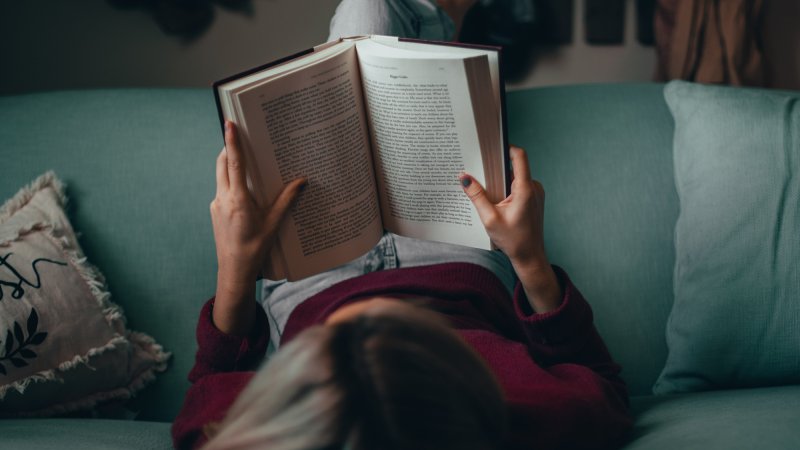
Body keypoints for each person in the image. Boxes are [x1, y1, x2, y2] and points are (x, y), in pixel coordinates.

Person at [170, 121, 632, 449]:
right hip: (452, 262)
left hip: (311, 281)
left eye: (342, 345)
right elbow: (600, 380)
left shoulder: (256, 437)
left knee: (365, 23)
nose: (379, 311)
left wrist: (236, 265)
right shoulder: (535, 420)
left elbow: (211, 385)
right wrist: (529, 257)